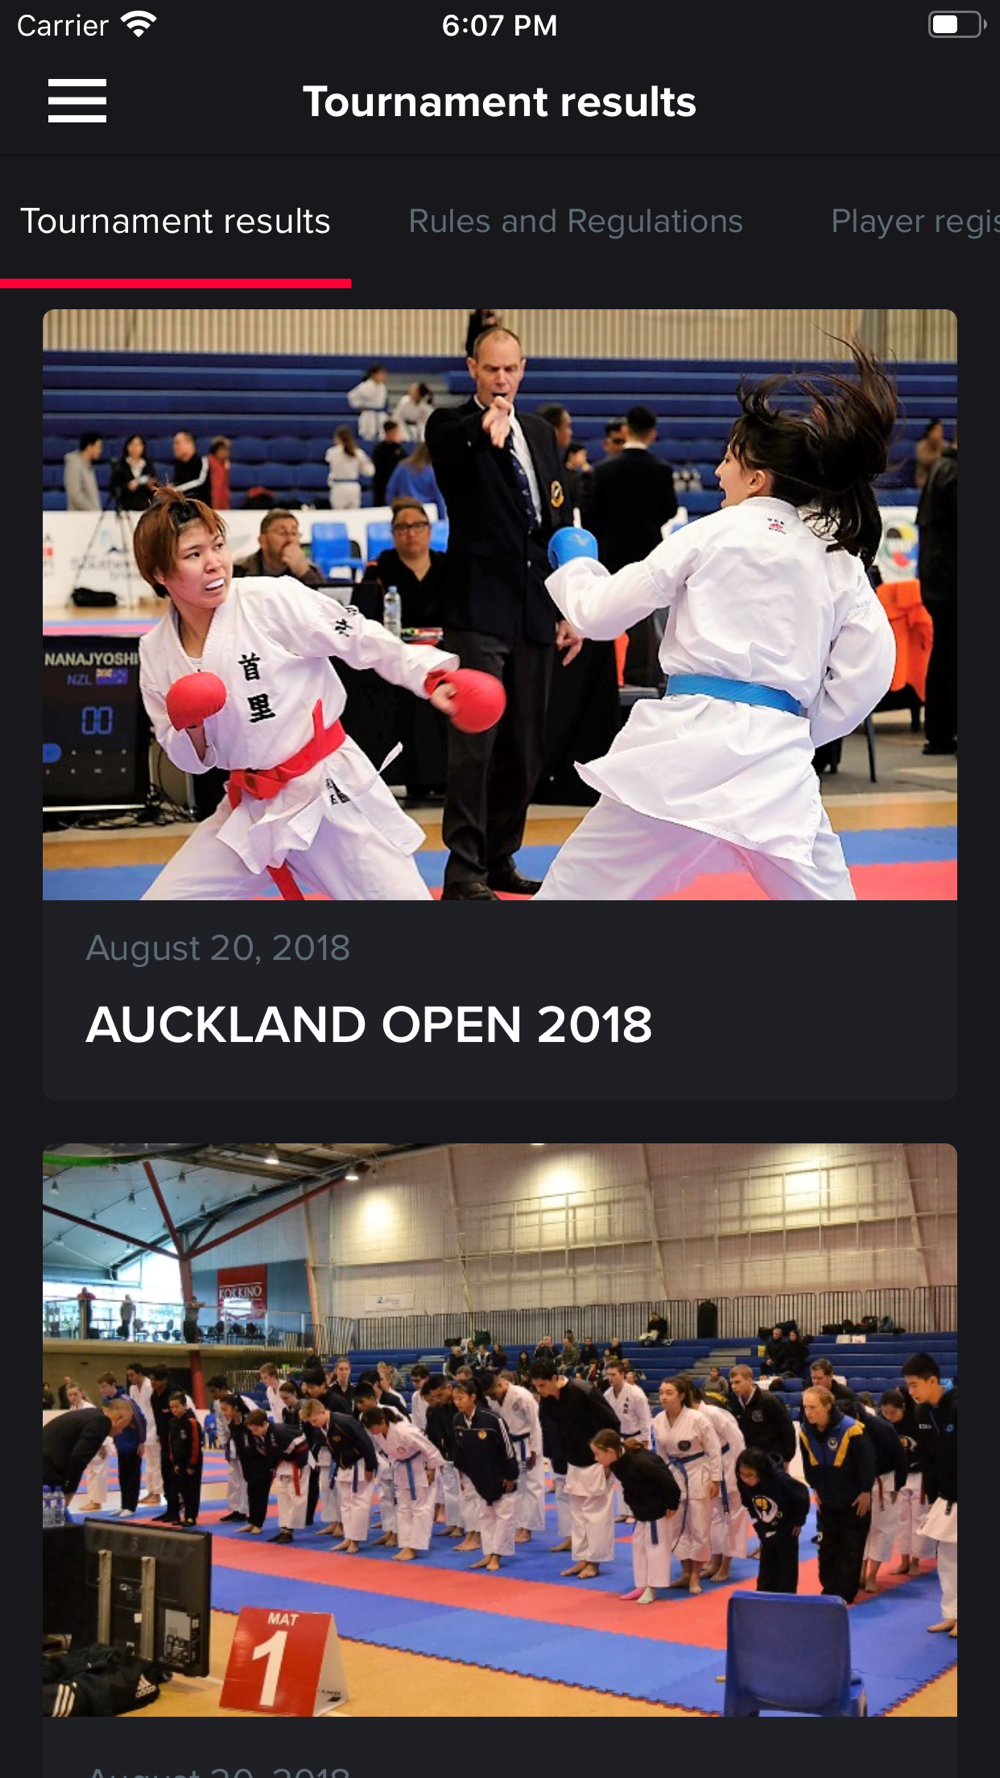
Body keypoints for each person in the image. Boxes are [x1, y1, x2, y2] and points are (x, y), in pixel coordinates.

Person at [537, 344, 898, 901]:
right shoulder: (836, 556)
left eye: (728, 459)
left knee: (574, 894)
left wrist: (577, 564)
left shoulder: (710, 533)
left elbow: (600, 615)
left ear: (757, 478)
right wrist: (799, 726)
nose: (717, 471)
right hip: (774, 762)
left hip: (682, 752)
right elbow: (870, 670)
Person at [133, 486, 461, 900]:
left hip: (327, 790)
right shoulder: (157, 651)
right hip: (252, 808)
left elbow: (357, 635)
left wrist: (427, 676)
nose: (214, 562)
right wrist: (192, 724)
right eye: (193, 554)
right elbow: (191, 761)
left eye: (217, 546)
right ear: (160, 573)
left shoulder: (270, 598)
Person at [425, 325, 581, 899]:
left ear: (523, 368)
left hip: (535, 606)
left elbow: (557, 520)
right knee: (475, 744)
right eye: (491, 369)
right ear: (472, 368)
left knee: (527, 745)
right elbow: (451, 452)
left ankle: (499, 857)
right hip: (478, 608)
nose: (501, 379)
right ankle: (463, 871)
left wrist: (570, 607)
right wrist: (482, 428)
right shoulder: (449, 426)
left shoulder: (538, 432)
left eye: (510, 369)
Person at [530, 1358, 619, 1579]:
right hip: (571, 1461)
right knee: (577, 1516)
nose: (540, 1390)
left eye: (542, 1385)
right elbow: (550, 1430)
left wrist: (610, 1459)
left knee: (596, 1516)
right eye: (536, 1386)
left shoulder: (583, 1391)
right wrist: (554, 1457)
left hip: (596, 1461)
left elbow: (612, 1423)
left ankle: (594, 1561)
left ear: (554, 1378)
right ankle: (582, 1558)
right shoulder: (548, 1401)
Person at [798, 1385, 875, 1602]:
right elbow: (808, 1464)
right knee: (827, 1546)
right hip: (827, 1498)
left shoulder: (852, 1429)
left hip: (854, 1499)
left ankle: (846, 1592)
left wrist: (865, 1491)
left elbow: (867, 1462)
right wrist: (815, 1488)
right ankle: (829, 1588)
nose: (808, 1412)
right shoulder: (805, 1431)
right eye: (805, 1407)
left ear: (828, 1406)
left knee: (851, 1547)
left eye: (813, 1407)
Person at [901, 1352, 957, 1637]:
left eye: (914, 1385)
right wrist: (933, 1494)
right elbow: (927, 1457)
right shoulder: (921, 1413)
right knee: (946, 1558)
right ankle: (952, 1614)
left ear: (933, 1381)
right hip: (945, 1495)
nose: (911, 1392)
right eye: (908, 1386)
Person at [590, 1428, 681, 1603]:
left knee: (656, 1548)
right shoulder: (618, 1462)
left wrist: (672, 1504)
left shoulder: (643, 1461)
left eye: (598, 1454)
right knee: (639, 1547)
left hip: (657, 1509)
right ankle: (641, 1584)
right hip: (641, 1510)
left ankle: (652, 1587)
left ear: (610, 1451)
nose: (596, 1458)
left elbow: (668, 1482)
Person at [651, 1376, 723, 1593]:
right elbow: (661, 1454)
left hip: (698, 1471)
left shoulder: (698, 1418)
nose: (663, 1397)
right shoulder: (658, 1420)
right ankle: (684, 1573)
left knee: (699, 1527)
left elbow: (714, 1450)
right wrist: (661, 1481)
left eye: (669, 1393)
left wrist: (715, 1478)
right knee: (675, 1526)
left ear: (682, 1396)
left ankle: (695, 1576)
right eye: (661, 1393)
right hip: (673, 1474)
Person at [450, 1378, 520, 1571]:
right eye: (455, 1398)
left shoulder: (492, 1419)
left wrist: (511, 1475)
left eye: (461, 1398)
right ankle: (488, 1552)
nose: (457, 1402)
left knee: (504, 1515)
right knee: (485, 1515)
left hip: (500, 1473)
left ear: (473, 1397)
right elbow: (458, 1451)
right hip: (477, 1475)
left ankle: (497, 1555)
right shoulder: (457, 1421)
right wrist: (464, 1474)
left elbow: (508, 1449)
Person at [916, 435, 958, 755]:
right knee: (949, 658)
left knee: (944, 656)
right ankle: (941, 731)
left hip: (938, 579)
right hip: (950, 579)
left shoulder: (941, 469)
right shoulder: (952, 473)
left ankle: (939, 732)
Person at [360, 1404, 442, 1561]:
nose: (371, 1431)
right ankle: (405, 1544)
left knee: (420, 1509)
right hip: (401, 1469)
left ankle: (414, 1547)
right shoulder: (379, 1434)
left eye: (372, 1427)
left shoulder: (405, 1431)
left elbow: (430, 1449)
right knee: (403, 1508)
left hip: (421, 1468)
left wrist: (431, 1469)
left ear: (382, 1422)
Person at [298, 1398, 379, 1553]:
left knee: (359, 1504)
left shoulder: (344, 1422)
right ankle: (348, 1537)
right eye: (310, 1422)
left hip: (360, 1465)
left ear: (323, 1412)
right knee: (345, 1503)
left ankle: (355, 1540)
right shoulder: (322, 1427)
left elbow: (366, 1444)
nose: (313, 1424)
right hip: (343, 1465)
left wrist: (370, 1467)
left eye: (314, 1420)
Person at [483, 1370, 547, 1543]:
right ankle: (518, 1525)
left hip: (527, 1444)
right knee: (515, 1487)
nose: (491, 1397)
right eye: (488, 1395)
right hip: (509, 1445)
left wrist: (534, 1451)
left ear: (500, 1384)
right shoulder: (492, 1399)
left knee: (531, 1487)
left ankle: (528, 1528)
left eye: (492, 1393)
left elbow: (535, 1425)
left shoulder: (522, 1396)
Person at [736, 1448, 811, 1594]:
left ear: (761, 1471)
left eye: (751, 1475)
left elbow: (802, 1495)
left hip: (787, 1527)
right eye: (742, 1475)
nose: (746, 1479)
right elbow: (748, 1501)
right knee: (767, 1565)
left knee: (786, 1568)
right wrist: (757, 1520)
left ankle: (787, 1598)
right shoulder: (743, 1482)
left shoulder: (780, 1479)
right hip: (766, 1527)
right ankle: (763, 1595)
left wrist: (798, 1520)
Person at [880, 1387, 933, 1577]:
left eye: (893, 1413)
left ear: (902, 1407)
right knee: (901, 1519)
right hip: (898, 1477)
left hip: (919, 1474)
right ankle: (904, 1560)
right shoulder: (884, 1425)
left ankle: (916, 1561)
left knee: (919, 1517)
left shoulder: (917, 1420)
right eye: (885, 1413)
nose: (889, 1417)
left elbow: (928, 1448)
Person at [43, 1399, 135, 1507]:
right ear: (119, 1417)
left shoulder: (91, 1414)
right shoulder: (102, 1421)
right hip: (48, 1466)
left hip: (49, 1460)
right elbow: (79, 1459)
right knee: (53, 1513)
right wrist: (68, 1490)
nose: (120, 1432)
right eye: (123, 1427)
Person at [242, 1409, 311, 1543]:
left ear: (264, 1423)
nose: (253, 1432)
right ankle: (283, 1529)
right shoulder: (261, 1434)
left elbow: (300, 1438)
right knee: (282, 1496)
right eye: (251, 1429)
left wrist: (290, 1456)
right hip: (282, 1465)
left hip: (296, 1464)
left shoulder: (279, 1431)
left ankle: (290, 1530)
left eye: (255, 1429)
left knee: (295, 1497)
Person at [603, 1358, 653, 1522]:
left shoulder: (636, 1393)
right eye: (608, 1375)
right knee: (620, 1476)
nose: (610, 1378)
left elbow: (645, 1418)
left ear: (622, 1374)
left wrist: (645, 1439)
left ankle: (634, 1512)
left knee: (635, 1477)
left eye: (614, 1375)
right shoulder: (607, 1394)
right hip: (618, 1439)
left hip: (635, 1438)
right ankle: (624, 1511)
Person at [233, 509, 327, 587]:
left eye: (294, 533)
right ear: (262, 541)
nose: (290, 539)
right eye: (282, 533)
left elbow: (323, 599)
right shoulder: (239, 570)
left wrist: (304, 573)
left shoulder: (311, 571)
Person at [728, 1365, 797, 1466]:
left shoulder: (769, 1400)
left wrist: (786, 1458)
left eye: (737, 1382)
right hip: (746, 1458)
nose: (733, 1387)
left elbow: (787, 1429)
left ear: (749, 1381)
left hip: (770, 1458)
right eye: (732, 1383)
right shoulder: (733, 1402)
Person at [126, 1362, 162, 1504]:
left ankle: (157, 1493)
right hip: (142, 1428)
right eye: (128, 1375)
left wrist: (159, 1431)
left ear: (140, 1373)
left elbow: (157, 1408)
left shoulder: (150, 1386)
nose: (130, 1378)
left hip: (154, 1426)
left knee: (156, 1462)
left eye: (132, 1375)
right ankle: (150, 1491)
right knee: (149, 1463)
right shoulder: (132, 1389)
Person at [166, 1392, 203, 1525]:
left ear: (184, 1406)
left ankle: (191, 1517)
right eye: (172, 1407)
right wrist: (174, 1462)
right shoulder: (172, 1422)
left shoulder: (191, 1422)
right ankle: (184, 1516)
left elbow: (195, 1444)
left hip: (191, 1460)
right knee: (182, 1490)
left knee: (192, 1490)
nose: (174, 1410)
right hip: (179, 1461)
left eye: (177, 1406)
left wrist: (192, 1465)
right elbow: (171, 1443)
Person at [385, 442, 448, 521]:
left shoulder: (402, 467)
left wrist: (393, 509)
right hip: (426, 514)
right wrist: (442, 520)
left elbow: (390, 491)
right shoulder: (433, 472)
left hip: (402, 511)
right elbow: (439, 498)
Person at [326, 426, 374, 508]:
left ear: (337, 438)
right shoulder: (358, 453)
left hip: (338, 488)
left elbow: (329, 461)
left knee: (338, 514)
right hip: (354, 488)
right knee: (353, 514)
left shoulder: (331, 452)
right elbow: (370, 472)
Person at [109, 435, 156, 512]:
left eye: (138, 445)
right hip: (126, 508)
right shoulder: (120, 466)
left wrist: (151, 486)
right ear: (127, 447)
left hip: (145, 507)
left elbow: (155, 487)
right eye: (132, 444)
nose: (135, 448)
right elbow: (114, 488)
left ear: (143, 447)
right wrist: (127, 487)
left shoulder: (148, 465)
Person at [346, 363, 389, 442]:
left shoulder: (382, 387)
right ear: (373, 375)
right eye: (381, 374)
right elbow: (351, 396)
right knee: (368, 435)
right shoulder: (365, 386)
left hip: (380, 414)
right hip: (368, 414)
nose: (383, 376)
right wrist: (360, 405)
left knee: (383, 435)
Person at [64, 433, 103, 510]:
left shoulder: (88, 466)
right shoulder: (74, 465)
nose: (100, 450)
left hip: (91, 514)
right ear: (89, 447)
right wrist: (93, 510)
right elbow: (74, 494)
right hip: (81, 515)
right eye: (98, 447)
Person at [372, 419, 407, 505]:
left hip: (396, 484)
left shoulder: (399, 449)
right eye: (395, 432)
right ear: (388, 432)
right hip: (382, 485)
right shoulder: (379, 449)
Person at [171, 430, 211, 504]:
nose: (174, 447)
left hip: (200, 508)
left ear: (189, 444)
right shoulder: (178, 466)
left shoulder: (202, 462)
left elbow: (199, 481)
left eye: (177, 443)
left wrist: (173, 490)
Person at [914, 417, 946, 490]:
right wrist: (940, 454)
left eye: (941, 431)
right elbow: (925, 461)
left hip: (941, 484)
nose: (940, 434)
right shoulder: (921, 446)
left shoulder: (944, 446)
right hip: (924, 483)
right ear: (930, 432)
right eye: (937, 431)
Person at [207, 436, 231, 510]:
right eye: (226, 449)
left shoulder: (222, 464)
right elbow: (217, 489)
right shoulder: (215, 466)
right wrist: (216, 509)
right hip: (216, 507)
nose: (228, 453)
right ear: (219, 450)